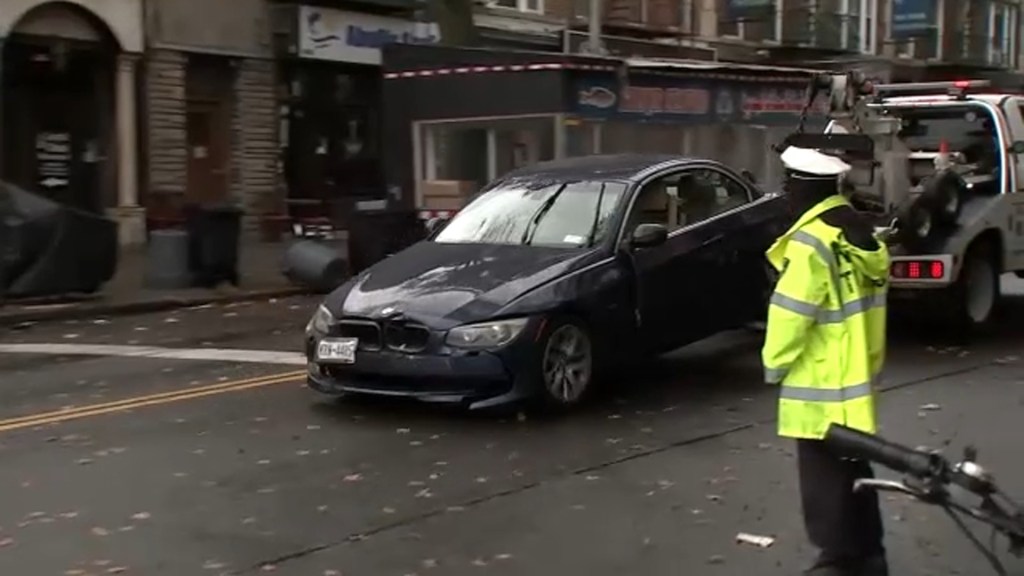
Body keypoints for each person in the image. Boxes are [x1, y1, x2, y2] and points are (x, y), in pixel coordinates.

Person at [761, 146, 892, 576]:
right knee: (855, 472)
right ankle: (870, 555)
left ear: (803, 188)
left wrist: (772, 365)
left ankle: (837, 562)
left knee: (824, 487)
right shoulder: (858, 233)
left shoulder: (811, 244)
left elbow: (791, 316)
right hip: (854, 381)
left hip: (818, 388)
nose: (786, 194)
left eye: (789, 185)